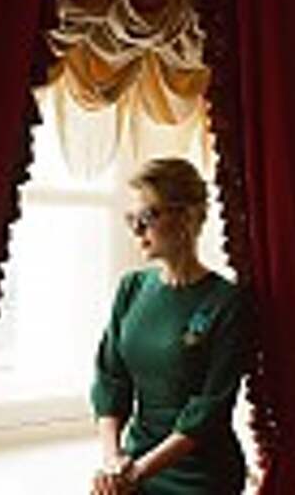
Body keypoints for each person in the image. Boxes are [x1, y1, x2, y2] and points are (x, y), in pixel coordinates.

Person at [90, 158, 253, 495]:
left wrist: (137, 473)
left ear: (188, 217)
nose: (137, 229)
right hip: (134, 459)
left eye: (147, 217)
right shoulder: (131, 288)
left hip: (201, 474)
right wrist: (113, 461)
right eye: (131, 219)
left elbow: (209, 410)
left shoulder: (227, 302)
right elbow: (110, 380)